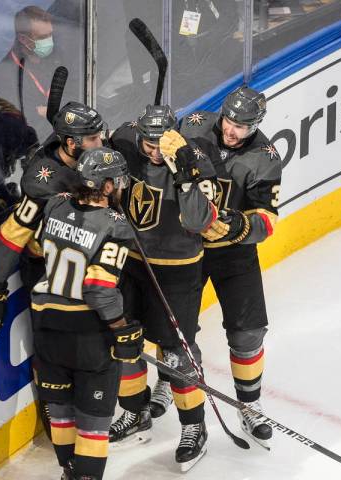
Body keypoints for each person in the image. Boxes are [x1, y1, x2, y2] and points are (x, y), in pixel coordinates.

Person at [0, 101, 105, 441]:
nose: (100, 144)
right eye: (92, 139)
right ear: (71, 144)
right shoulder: (44, 180)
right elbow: (13, 233)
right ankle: (57, 414)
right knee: (53, 346)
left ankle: (103, 406)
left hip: (92, 269)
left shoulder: (97, 157)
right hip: (48, 272)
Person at [107, 104, 219, 471]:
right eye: (148, 143)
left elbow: (199, 221)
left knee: (176, 355)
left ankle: (194, 428)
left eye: (161, 144)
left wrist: (184, 172)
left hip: (178, 270)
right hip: (132, 263)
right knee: (126, 344)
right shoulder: (124, 140)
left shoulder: (195, 159)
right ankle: (136, 413)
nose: (154, 151)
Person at [178, 85, 282, 448]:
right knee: (176, 333)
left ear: (256, 125)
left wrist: (239, 225)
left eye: (241, 125)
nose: (231, 129)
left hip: (233, 253)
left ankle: (249, 405)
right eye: (229, 120)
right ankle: (177, 401)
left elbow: (267, 220)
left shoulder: (265, 158)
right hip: (185, 248)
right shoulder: (191, 128)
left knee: (249, 332)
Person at [30, 146, 138, 480]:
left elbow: (35, 247)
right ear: (106, 186)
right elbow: (99, 288)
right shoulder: (116, 225)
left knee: (61, 415)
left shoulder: (56, 205)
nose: (119, 186)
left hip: (46, 329)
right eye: (116, 181)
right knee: (93, 425)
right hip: (88, 335)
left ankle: (68, 473)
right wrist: (121, 328)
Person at [0, 5, 79, 140]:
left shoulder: (57, 55)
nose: (49, 41)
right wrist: (39, 112)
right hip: (32, 136)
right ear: (23, 39)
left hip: (64, 127)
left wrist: (50, 109)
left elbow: (75, 87)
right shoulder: (6, 72)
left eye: (51, 34)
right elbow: (12, 115)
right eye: (43, 37)